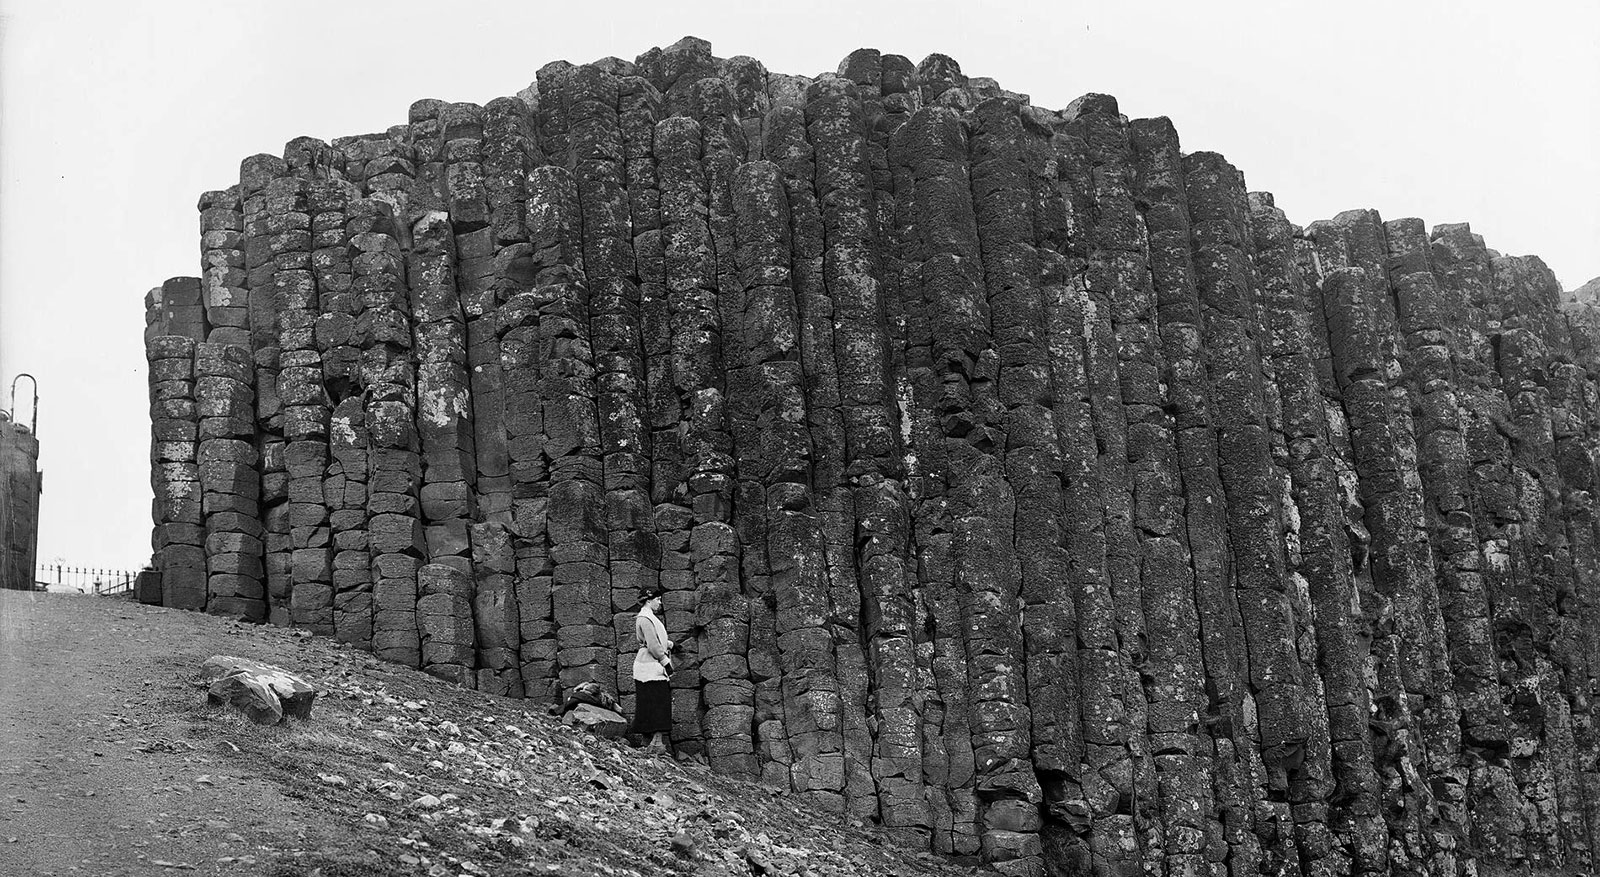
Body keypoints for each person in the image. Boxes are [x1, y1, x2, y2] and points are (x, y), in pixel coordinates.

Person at [630, 585, 674, 755]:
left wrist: (671, 644)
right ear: (649, 600)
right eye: (657, 599)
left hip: (646, 665)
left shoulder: (648, 617)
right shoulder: (645, 618)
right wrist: (666, 662)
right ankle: (655, 742)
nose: (660, 602)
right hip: (650, 666)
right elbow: (653, 645)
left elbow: (657, 639)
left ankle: (647, 740)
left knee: (648, 702)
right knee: (658, 703)